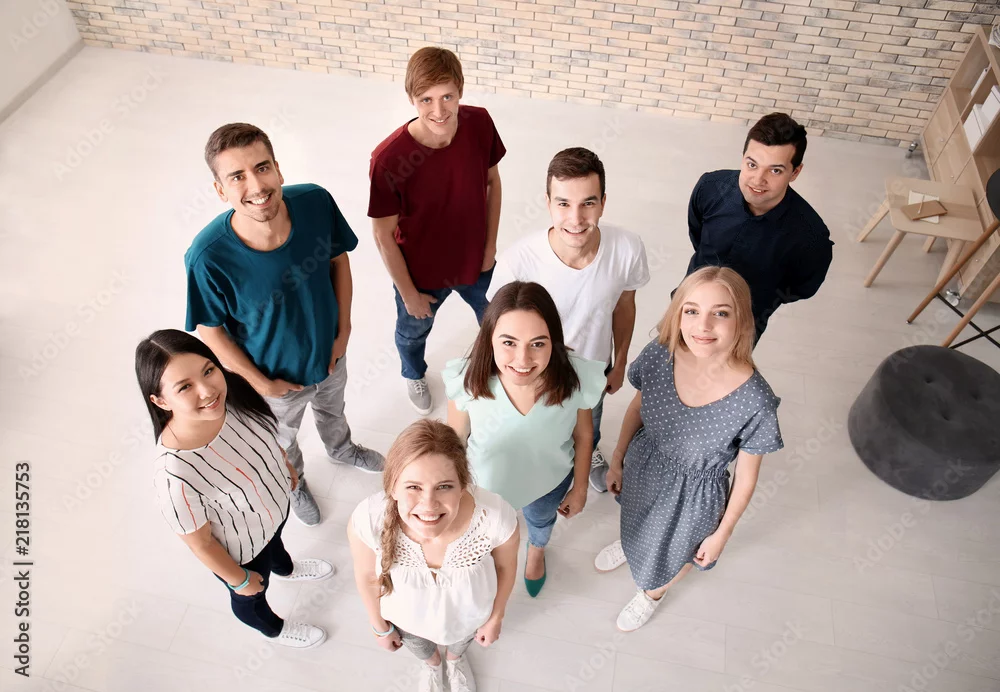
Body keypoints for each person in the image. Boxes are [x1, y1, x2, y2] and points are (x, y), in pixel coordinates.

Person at [185, 122, 384, 528]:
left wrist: (343, 332)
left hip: (330, 357)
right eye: (237, 176)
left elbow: (338, 260)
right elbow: (210, 331)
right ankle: (293, 482)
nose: (256, 186)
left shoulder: (315, 202)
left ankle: (341, 449)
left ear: (278, 169)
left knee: (333, 411)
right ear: (220, 191)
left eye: (262, 168)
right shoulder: (208, 257)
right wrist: (260, 383)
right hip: (274, 382)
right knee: (282, 439)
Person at [594, 267, 783, 632]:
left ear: (741, 319)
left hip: (692, 498)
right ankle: (631, 544)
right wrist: (616, 460)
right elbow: (637, 408)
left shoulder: (755, 400)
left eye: (721, 313)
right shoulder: (660, 353)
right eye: (692, 310)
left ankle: (652, 593)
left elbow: (746, 477)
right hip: (644, 467)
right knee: (635, 516)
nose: (703, 326)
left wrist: (722, 534)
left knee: (674, 553)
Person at [137, 329, 333, 649]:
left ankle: (287, 569)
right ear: (160, 401)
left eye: (208, 370)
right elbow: (201, 544)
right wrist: (239, 581)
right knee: (252, 597)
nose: (207, 391)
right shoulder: (174, 475)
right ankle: (273, 629)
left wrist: (285, 466)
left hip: (273, 510)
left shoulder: (233, 400)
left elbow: (266, 437)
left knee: (276, 544)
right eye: (185, 387)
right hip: (243, 551)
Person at [487, 147, 649, 494]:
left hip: (592, 369)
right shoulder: (518, 262)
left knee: (590, 423)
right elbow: (497, 331)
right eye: (563, 203)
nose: (576, 219)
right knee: (538, 438)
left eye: (588, 203)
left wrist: (620, 361)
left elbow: (624, 305)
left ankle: (587, 453)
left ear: (603, 203)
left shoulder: (628, 248)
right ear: (548, 203)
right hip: (533, 372)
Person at [443, 281, 606, 597]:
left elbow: (584, 434)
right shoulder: (467, 380)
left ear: (553, 342)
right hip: (485, 484)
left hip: (549, 482)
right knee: (488, 528)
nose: (522, 359)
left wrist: (580, 487)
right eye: (509, 342)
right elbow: (455, 444)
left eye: (537, 344)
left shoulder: (575, 378)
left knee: (541, 521)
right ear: (489, 338)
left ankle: (537, 549)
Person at [369, 46, 505, 416]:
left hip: (475, 259)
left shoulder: (479, 123)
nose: (439, 110)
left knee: (498, 322)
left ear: (460, 90)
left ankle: (497, 371)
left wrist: (489, 247)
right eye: (426, 99)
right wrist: (408, 293)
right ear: (410, 98)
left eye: (447, 96)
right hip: (421, 274)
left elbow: (492, 182)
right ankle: (413, 372)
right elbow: (382, 235)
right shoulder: (389, 159)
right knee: (412, 332)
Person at [348, 419, 518, 692]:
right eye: (413, 487)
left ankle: (455, 660)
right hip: (405, 620)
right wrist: (379, 626)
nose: (428, 505)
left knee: (459, 643)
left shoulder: (495, 518)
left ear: (463, 486)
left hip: (469, 616)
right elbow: (367, 574)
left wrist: (496, 617)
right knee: (421, 647)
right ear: (392, 487)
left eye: (444, 486)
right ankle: (432, 664)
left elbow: (506, 567)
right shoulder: (368, 519)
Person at [685, 112, 833, 341]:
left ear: (795, 172)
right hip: (688, 301)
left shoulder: (811, 237)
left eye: (775, 170)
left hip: (744, 325)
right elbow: (697, 234)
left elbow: (800, 288)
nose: (757, 179)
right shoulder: (711, 187)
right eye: (752, 164)